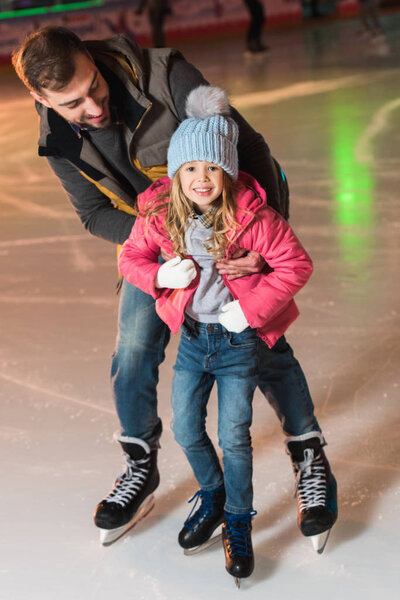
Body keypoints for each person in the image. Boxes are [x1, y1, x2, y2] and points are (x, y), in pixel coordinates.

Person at [11, 26, 337, 552]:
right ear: (41, 98)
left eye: (94, 86)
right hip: (159, 249)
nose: (93, 106)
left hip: (229, 225)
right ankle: (141, 465)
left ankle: (308, 453)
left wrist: (259, 240)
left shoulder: (164, 75)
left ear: (93, 59)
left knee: (260, 338)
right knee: (134, 351)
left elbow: (247, 147)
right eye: (73, 102)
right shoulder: (58, 139)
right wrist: (157, 255)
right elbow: (95, 214)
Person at [118, 85, 314, 583]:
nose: (201, 179)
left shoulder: (254, 217)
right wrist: (159, 277)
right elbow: (130, 258)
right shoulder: (160, 214)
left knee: (234, 436)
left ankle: (237, 520)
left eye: (211, 169)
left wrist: (249, 311)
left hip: (238, 343)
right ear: (177, 173)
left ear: (227, 171)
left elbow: (296, 265)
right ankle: (214, 491)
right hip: (193, 340)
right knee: (185, 428)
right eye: (190, 169)